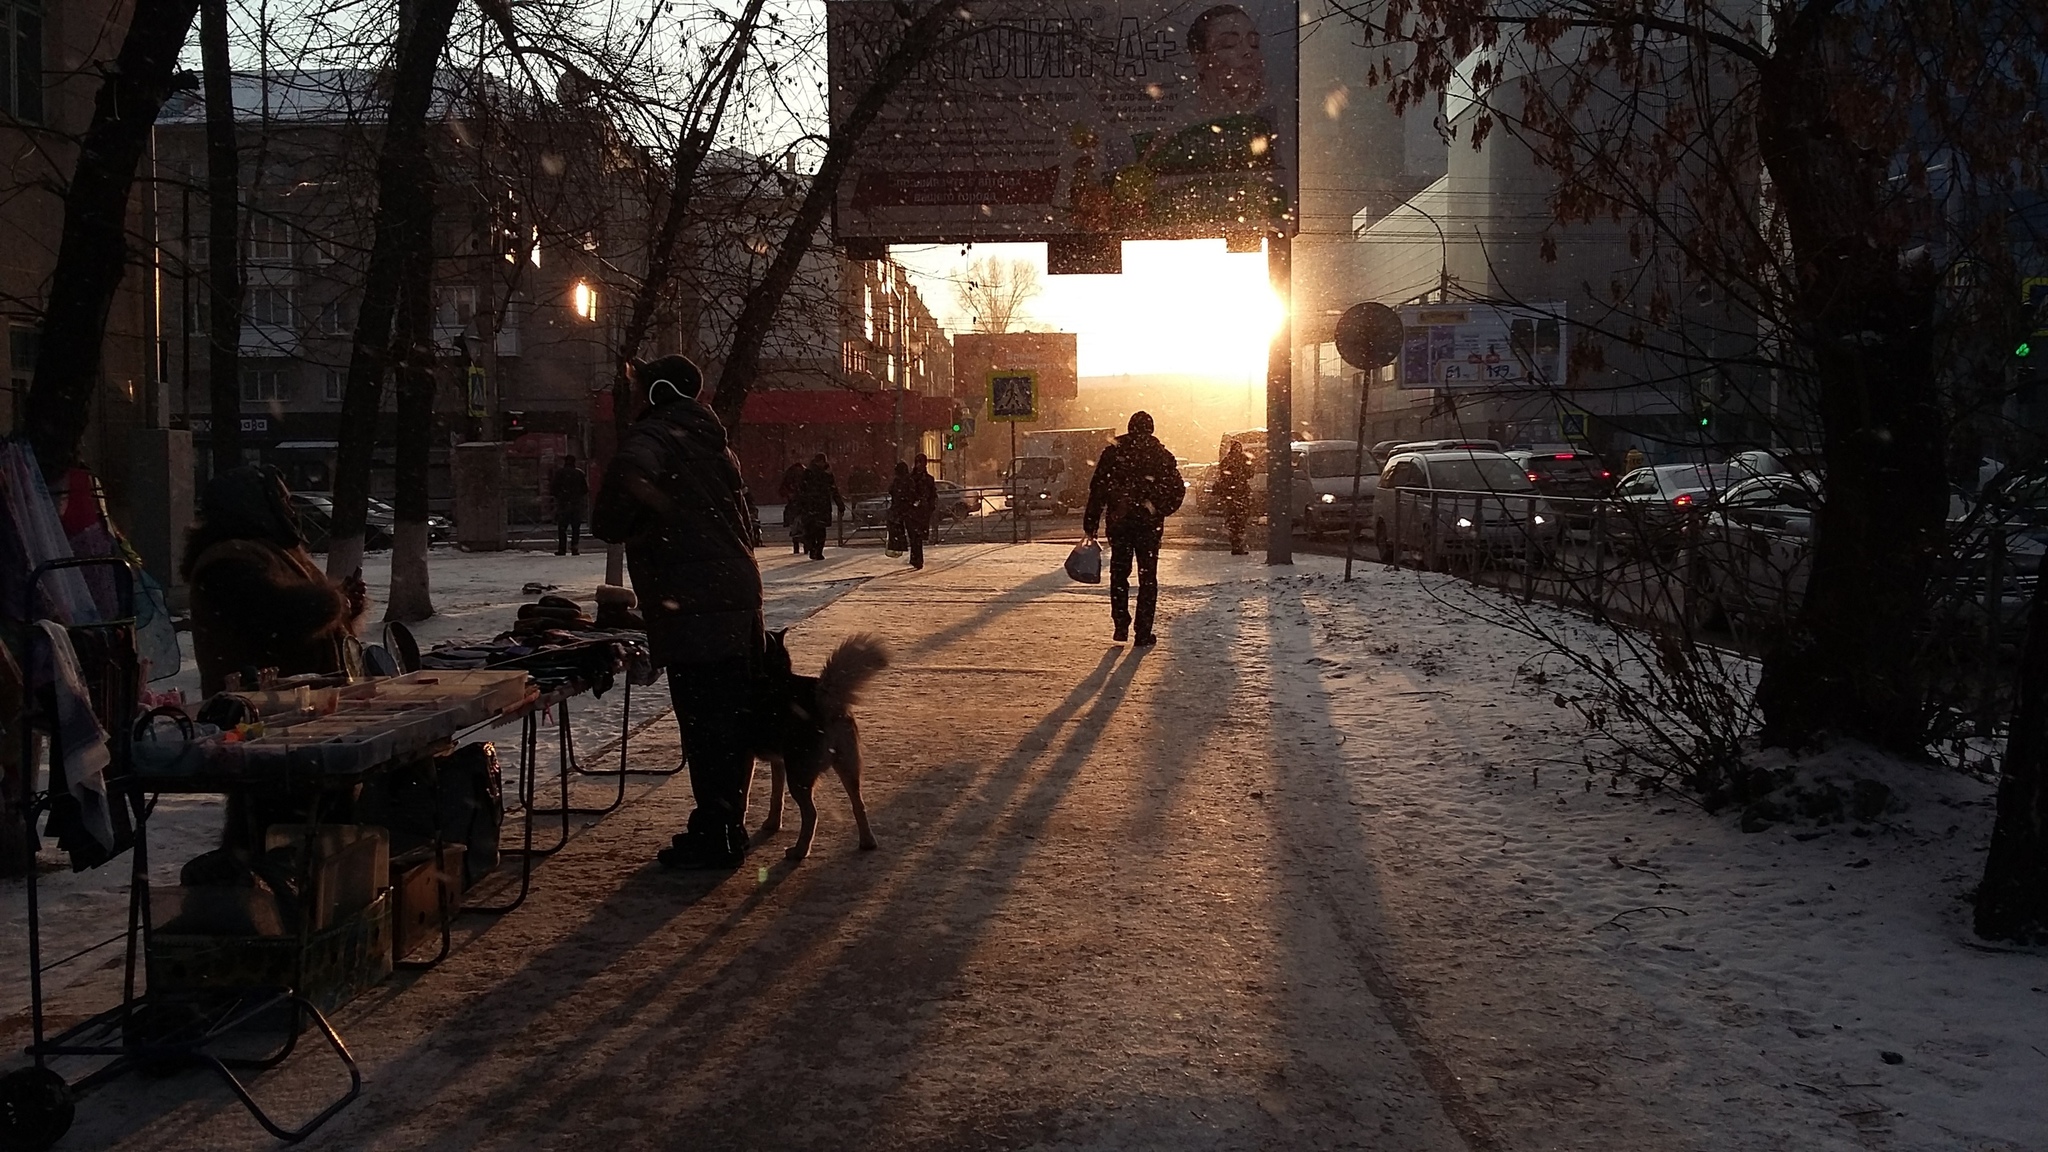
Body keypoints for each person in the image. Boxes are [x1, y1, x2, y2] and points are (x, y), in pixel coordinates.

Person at [591, 354, 763, 869]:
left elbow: (614, 511)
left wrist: (633, 516)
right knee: (732, 720)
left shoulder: (657, 436)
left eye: (642, 387)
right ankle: (728, 825)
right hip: (733, 592)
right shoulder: (715, 442)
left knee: (705, 721)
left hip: (695, 599)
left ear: (659, 390)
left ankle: (715, 833)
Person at [184, 464, 366, 696]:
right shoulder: (226, 560)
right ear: (252, 505)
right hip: (253, 710)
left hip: (296, 700)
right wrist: (334, 602)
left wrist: (346, 606)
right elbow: (275, 617)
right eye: (281, 499)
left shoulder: (273, 550)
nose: (291, 510)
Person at [1083, 412, 1184, 646]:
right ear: (1151, 428)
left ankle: (1120, 624)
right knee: (1148, 577)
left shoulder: (1113, 454)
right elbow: (1177, 489)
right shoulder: (1161, 455)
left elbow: (1097, 489)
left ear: (1129, 428)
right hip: (1148, 527)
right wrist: (1156, 508)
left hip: (1119, 523)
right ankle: (1143, 631)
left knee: (1119, 574)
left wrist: (1091, 522)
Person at [792, 454, 845, 561]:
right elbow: (833, 490)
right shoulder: (824, 474)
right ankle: (817, 551)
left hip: (810, 506)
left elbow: (800, 491)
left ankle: (813, 550)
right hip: (820, 506)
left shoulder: (808, 473)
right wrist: (840, 504)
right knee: (819, 530)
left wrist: (800, 505)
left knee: (811, 530)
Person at [893, 454, 938, 569]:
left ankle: (916, 558)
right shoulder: (910, 478)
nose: (920, 465)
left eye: (922, 462)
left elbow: (932, 495)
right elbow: (904, 492)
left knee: (919, 536)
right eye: (918, 462)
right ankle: (916, 558)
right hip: (911, 511)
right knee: (914, 535)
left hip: (923, 511)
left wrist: (930, 506)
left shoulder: (928, 479)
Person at [1216, 440, 1254, 555]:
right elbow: (1250, 473)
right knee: (1238, 521)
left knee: (1234, 521)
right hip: (1237, 494)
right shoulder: (1241, 460)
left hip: (1232, 495)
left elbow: (1222, 475)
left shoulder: (1228, 460)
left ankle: (1236, 545)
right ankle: (1237, 545)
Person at [550, 454, 589, 555]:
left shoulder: (560, 473)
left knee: (562, 528)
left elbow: (553, 489)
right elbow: (585, 489)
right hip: (576, 504)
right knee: (576, 528)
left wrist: (561, 496)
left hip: (563, 504)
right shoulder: (579, 474)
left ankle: (562, 548)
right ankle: (574, 547)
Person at [777, 460, 807, 554]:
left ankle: (797, 547)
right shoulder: (805, 474)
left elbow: (782, 490)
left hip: (794, 505)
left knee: (795, 528)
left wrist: (790, 494)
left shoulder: (789, 475)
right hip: (803, 505)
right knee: (804, 527)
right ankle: (806, 546)